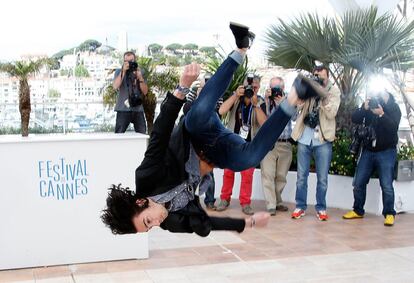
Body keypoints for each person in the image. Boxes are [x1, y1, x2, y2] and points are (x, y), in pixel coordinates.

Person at [101, 22, 321, 236]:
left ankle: (240, 48)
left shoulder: (147, 177)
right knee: (250, 158)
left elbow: (160, 135)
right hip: (218, 153)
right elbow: (206, 224)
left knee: (196, 116)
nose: (156, 224)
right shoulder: (172, 221)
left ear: (141, 202)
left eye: (148, 221)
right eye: (150, 228)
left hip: (198, 133)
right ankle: (295, 97)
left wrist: (182, 88)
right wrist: (247, 222)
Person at [343, 90, 401, 226]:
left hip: (387, 151)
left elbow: (393, 128)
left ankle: (389, 214)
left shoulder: (394, 108)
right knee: (358, 182)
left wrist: (381, 114)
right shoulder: (371, 104)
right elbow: (355, 118)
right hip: (368, 150)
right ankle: (358, 210)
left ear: (389, 95)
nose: (380, 95)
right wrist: (364, 107)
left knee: (386, 184)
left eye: (384, 94)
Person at [291, 65, 341, 221]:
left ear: (327, 77)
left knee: (322, 178)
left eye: (321, 77)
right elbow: (297, 107)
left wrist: (322, 94)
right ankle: (300, 206)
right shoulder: (309, 89)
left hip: (322, 139)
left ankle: (321, 208)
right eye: (316, 76)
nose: (318, 80)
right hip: (304, 137)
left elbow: (332, 113)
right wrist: (306, 91)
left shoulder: (334, 91)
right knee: (301, 176)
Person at [215, 75, 266, 215]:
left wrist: (255, 104)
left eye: (254, 87)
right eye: (249, 86)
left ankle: (245, 203)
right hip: (232, 143)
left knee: (247, 176)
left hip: (249, 145)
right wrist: (235, 95)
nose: (251, 89)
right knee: (228, 173)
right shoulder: (237, 99)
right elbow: (221, 111)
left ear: (259, 87)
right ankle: (224, 199)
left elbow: (264, 123)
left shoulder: (260, 101)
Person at [183, 76, 222, 210]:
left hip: (207, 142)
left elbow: (217, 113)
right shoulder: (194, 94)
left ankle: (210, 201)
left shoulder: (217, 97)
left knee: (208, 172)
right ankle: (189, 201)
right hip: (192, 141)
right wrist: (197, 92)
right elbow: (186, 109)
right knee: (190, 172)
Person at [260, 77, 293, 216]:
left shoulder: (290, 101)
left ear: (283, 87)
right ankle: (271, 205)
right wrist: (267, 102)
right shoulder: (265, 101)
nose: (275, 91)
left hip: (285, 143)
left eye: (277, 88)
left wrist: (283, 103)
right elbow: (264, 120)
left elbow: (295, 117)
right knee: (268, 174)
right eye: (273, 87)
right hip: (269, 143)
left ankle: (278, 201)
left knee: (281, 176)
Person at [113, 51, 149, 134]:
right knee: (119, 134)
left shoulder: (141, 72)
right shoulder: (119, 71)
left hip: (138, 108)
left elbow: (145, 91)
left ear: (135, 60)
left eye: (131, 61)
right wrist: (123, 71)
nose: (129, 63)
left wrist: (140, 78)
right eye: (127, 61)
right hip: (123, 108)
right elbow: (115, 86)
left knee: (142, 134)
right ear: (124, 61)